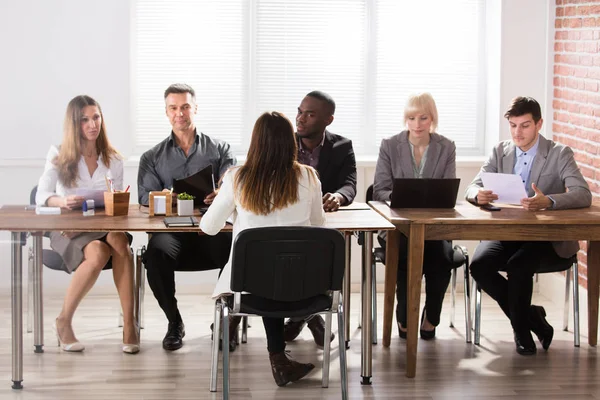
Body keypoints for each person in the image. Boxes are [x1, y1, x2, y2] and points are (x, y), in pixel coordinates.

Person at [201, 111, 326, 387]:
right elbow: (318, 225)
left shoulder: (237, 179)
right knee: (277, 268)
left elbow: (208, 227)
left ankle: (273, 353)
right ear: (290, 142)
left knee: (264, 271)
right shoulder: (309, 177)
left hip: (249, 290)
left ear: (255, 142)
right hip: (303, 285)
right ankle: (281, 356)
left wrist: (238, 216)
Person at [466, 96, 592, 355]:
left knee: (518, 266)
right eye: (512, 125)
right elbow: (473, 185)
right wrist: (476, 195)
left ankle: (521, 331)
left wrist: (550, 201)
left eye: (524, 125)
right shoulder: (500, 151)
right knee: (479, 266)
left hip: (545, 237)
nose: (517, 132)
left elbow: (583, 193)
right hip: (505, 233)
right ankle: (532, 318)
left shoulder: (559, 153)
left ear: (539, 124)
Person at [36, 95, 139, 354]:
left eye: (96, 117)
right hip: (68, 226)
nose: (93, 124)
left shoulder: (112, 159)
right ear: (74, 124)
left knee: (119, 241)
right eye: (85, 120)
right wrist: (62, 200)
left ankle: (129, 324)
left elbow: (114, 200)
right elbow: (40, 196)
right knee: (99, 252)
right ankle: (63, 321)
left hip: (102, 224)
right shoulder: (58, 154)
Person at [137, 83, 236, 351]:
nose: (179, 113)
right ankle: (174, 321)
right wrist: (166, 197)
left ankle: (226, 322)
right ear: (166, 112)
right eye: (173, 108)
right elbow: (144, 197)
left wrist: (221, 190)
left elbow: (233, 182)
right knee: (155, 255)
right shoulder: (152, 157)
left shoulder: (220, 149)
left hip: (212, 231)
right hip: (172, 232)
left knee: (238, 250)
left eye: (185, 107)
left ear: (195, 109)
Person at [373, 92, 456, 340]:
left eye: (423, 118)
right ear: (405, 119)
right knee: (405, 256)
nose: (417, 124)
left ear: (432, 119)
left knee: (442, 258)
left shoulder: (446, 147)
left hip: (434, 228)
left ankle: (431, 318)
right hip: (398, 227)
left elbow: (448, 189)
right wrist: (405, 198)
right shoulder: (390, 145)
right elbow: (380, 189)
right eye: (411, 118)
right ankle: (404, 317)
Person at [283, 90, 357, 347]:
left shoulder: (342, 146)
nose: (300, 119)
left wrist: (338, 196)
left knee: (322, 259)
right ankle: (311, 317)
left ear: (328, 119)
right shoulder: (284, 143)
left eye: (310, 114)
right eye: (299, 111)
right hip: (286, 224)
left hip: (324, 226)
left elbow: (349, 184)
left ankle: (299, 317)